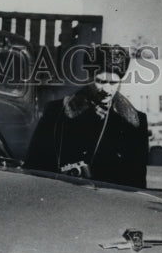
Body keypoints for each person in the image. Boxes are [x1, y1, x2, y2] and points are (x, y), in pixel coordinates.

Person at [25, 44, 148, 188]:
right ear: (89, 77)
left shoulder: (135, 122)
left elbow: (137, 184)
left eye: (114, 82)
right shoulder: (56, 112)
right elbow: (34, 166)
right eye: (101, 81)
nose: (107, 90)